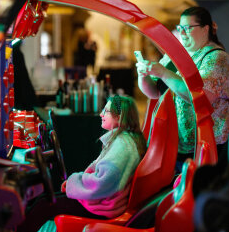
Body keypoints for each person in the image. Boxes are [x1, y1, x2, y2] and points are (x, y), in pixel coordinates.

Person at [16, 95, 146, 231]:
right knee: (43, 202)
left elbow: (103, 181)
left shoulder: (123, 145)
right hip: (103, 202)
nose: (101, 114)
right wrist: (74, 184)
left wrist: (74, 181)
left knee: (42, 207)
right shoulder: (125, 140)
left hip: (103, 208)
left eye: (106, 111)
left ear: (119, 116)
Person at [136, 6, 229, 173]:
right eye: (180, 28)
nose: (182, 33)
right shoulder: (174, 55)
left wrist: (164, 73)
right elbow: (154, 91)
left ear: (206, 29)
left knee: (200, 191)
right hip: (177, 142)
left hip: (210, 142)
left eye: (187, 28)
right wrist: (144, 75)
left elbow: (201, 97)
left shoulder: (217, 58)